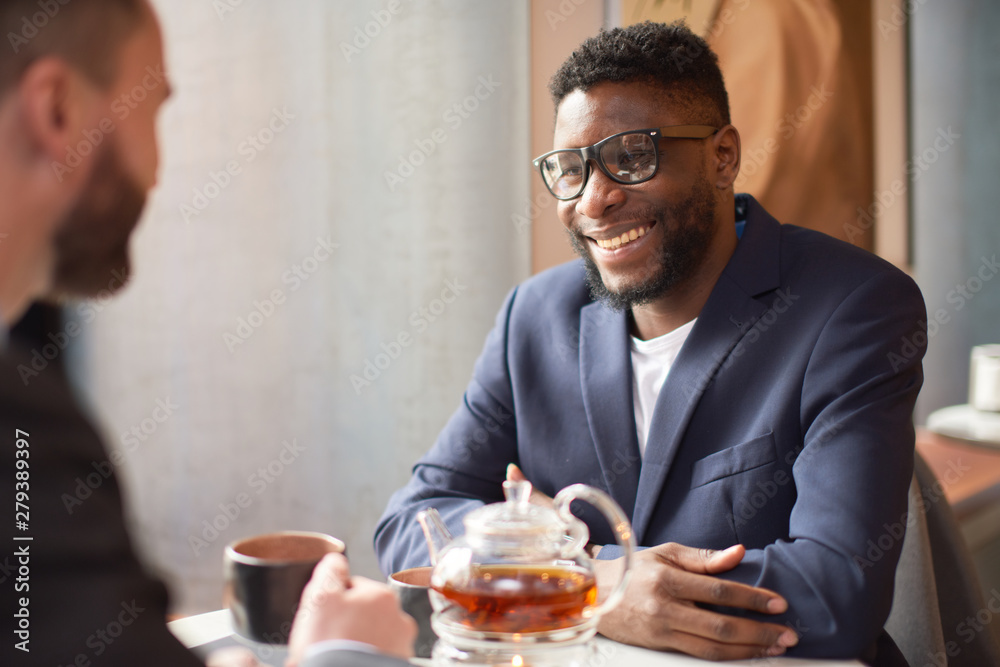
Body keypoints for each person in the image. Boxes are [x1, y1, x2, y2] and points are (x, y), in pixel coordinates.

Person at [375, 21, 925, 667]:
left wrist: (556, 568)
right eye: (570, 169)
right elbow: (411, 526)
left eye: (632, 156)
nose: (595, 199)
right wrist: (595, 578)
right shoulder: (535, 317)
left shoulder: (852, 306)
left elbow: (837, 594)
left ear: (723, 156)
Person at [0, 1, 414, 665]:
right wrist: (345, 653)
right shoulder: (22, 421)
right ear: (57, 111)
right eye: (152, 109)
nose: (159, 170)